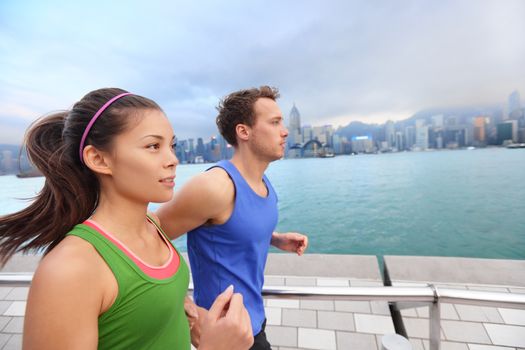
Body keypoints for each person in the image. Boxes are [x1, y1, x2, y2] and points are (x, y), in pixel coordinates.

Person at [0, 88, 254, 350]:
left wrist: (185, 311)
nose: (173, 159)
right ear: (98, 159)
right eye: (153, 146)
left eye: (172, 145)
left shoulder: (152, 226)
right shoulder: (70, 270)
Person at [157, 86, 309, 349]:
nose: (285, 131)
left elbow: (230, 227)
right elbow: (147, 235)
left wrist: (274, 239)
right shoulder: (215, 186)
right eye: (274, 123)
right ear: (243, 131)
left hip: (254, 319)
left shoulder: (262, 182)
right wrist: (180, 302)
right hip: (223, 333)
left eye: (282, 122)